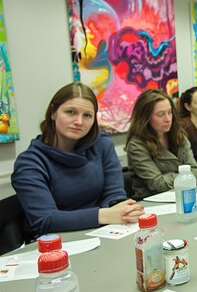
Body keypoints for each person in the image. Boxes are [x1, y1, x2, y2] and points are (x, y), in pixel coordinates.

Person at [12, 82, 144, 238]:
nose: (79, 121)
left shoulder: (102, 144)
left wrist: (123, 209)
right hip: (57, 244)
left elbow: (114, 194)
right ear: (53, 113)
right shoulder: (30, 163)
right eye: (70, 112)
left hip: (104, 233)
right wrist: (105, 215)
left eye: (87, 115)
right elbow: (45, 220)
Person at [126, 89, 197, 199]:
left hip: (183, 196)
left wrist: (194, 174)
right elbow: (158, 184)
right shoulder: (136, 146)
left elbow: (194, 170)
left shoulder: (179, 136)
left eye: (170, 112)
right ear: (145, 118)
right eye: (161, 114)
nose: (168, 119)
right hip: (152, 204)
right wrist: (196, 174)